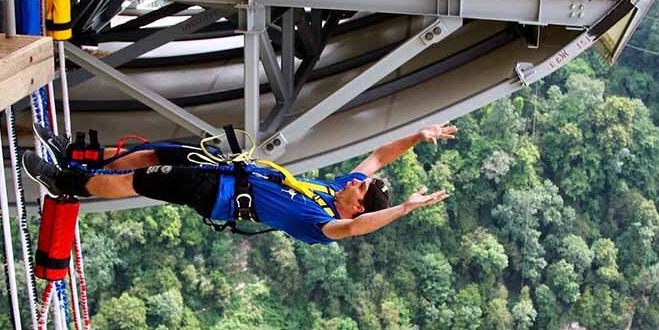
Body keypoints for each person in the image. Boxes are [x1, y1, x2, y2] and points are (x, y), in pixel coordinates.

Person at [24, 123, 456, 245]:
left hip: (218, 194)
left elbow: (358, 228)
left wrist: (401, 211)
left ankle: (68, 182)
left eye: (360, 190)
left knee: (142, 180)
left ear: (359, 207)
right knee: (155, 153)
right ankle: (80, 158)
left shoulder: (322, 224)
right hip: (225, 170)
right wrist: (418, 137)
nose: (356, 183)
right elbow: (379, 156)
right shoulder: (333, 191)